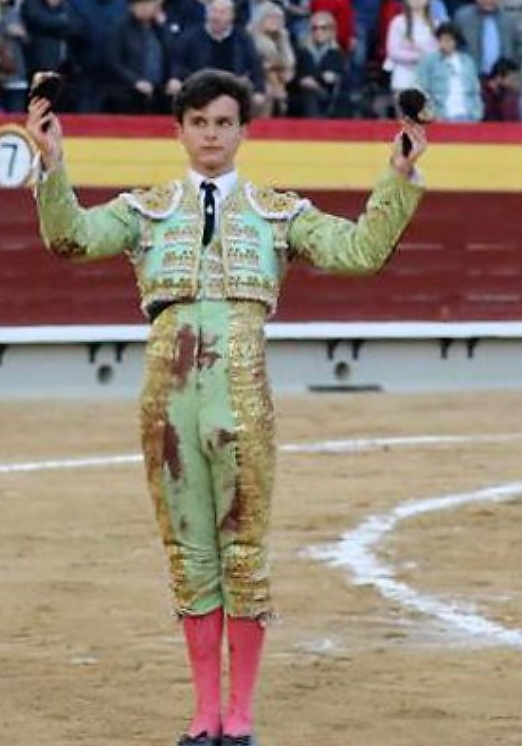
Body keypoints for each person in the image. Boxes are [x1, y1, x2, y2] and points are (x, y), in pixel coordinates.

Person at [26, 67, 425, 746]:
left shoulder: (278, 210)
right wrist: (52, 165)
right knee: (188, 553)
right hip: (168, 399)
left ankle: (238, 715)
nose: (211, 135)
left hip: (240, 397)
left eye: (223, 123)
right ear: (178, 130)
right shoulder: (144, 207)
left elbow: (359, 251)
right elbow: (69, 239)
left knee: (243, 553)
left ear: (243, 130)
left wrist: (397, 177)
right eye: (199, 123)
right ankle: (202, 712)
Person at [104, 0, 170, 114]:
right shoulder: (119, 29)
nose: (144, 8)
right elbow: (113, 62)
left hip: (158, 94)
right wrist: (135, 81)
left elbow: (171, 56)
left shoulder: (161, 29)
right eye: (139, 4)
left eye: (148, 3)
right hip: (126, 95)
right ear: (131, 7)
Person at [416, 21, 482, 121]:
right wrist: (430, 114)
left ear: (456, 41)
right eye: (441, 40)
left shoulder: (467, 61)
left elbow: (475, 90)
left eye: (448, 40)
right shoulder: (428, 61)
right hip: (440, 116)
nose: (444, 44)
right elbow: (421, 89)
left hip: (469, 114)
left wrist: (477, 113)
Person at [289, 9, 346, 118]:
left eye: (323, 28)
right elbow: (295, 75)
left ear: (331, 31)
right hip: (301, 94)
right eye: (315, 28)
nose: (318, 31)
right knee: (309, 94)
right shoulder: (301, 51)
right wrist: (303, 80)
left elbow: (336, 77)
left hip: (327, 95)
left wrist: (315, 79)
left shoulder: (337, 54)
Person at [383, 0, 439, 94]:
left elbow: (437, 51)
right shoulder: (397, 22)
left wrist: (423, 53)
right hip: (403, 76)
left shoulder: (436, 24)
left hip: (428, 77)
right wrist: (418, 55)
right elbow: (393, 52)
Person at [453, 0, 519, 78]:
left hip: (501, 78)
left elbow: (516, 47)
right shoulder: (462, 17)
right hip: (471, 75)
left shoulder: (509, 20)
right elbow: (455, 46)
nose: (488, 0)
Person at [249, 0, 295, 116]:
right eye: (271, 17)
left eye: (279, 18)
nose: (275, 21)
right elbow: (257, 66)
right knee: (268, 91)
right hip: (253, 80)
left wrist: (283, 70)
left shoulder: (283, 36)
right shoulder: (251, 36)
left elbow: (290, 62)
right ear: (261, 19)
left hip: (280, 80)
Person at [481, 55, 519, 121]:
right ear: (499, 78)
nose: (514, 83)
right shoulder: (482, 94)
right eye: (512, 79)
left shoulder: (511, 94)